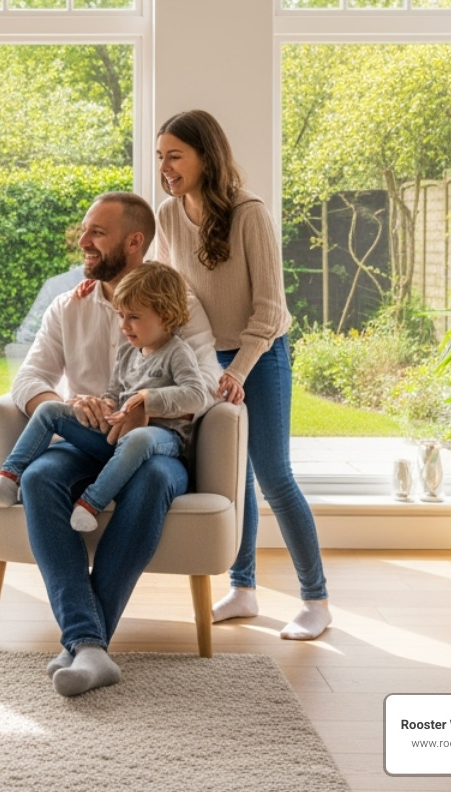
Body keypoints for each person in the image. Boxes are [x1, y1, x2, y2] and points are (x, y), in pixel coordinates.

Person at [3, 192, 221, 697]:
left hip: (154, 448)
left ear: (134, 241)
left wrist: (151, 404)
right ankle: (91, 647)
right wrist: (68, 404)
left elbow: (206, 384)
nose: (83, 242)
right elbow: (29, 378)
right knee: (38, 478)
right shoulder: (68, 305)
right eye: (85, 231)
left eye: (96, 233)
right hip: (86, 444)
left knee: (149, 482)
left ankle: (82, 643)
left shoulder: (176, 303)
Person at [152, 110, 331, 640]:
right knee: (233, 480)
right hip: (208, 359)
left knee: (273, 475)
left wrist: (241, 370)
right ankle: (244, 589)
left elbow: (270, 310)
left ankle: (316, 599)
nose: (165, 166)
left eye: (175, 155)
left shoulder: (250, 214)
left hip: (262, 352)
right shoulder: (167, 214)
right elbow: (167, 288)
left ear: (206, 156)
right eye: (160, 156)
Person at [0, 261, 211, 536]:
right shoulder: (128, 352)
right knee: (50, 411)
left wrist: (146, 399)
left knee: (139, 438)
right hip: (117, 435)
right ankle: (8, 482)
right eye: (120, 315)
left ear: (165, 316)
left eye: (133, 317)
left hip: (162, 438)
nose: (124, 325)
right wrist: (104, 405)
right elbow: (113, 394)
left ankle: (91, 503)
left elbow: (196, 395)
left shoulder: (178, 352)